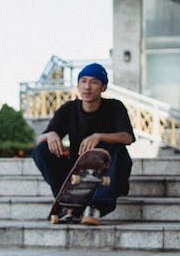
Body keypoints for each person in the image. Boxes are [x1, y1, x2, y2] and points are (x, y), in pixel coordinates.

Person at [32, 63, 135, 225]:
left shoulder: (115, 106)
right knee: (41, 149)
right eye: (83, 81)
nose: (87, 87)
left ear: (104, 87)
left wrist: (99, 136)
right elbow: (40, 139)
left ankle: (96, 207)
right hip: (76, 173)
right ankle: (67, 201)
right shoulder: (69, 109)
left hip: (107, 173)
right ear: (78, 85)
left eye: (94, 82)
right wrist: (50, 134)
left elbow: (127, 137)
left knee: (119, 149)